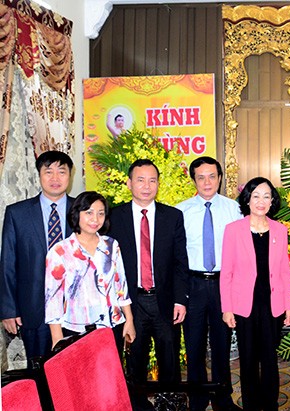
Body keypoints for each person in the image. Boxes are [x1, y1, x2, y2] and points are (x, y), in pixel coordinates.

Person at [108, 159, 189, 411]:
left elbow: (180, 261)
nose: (146, 186)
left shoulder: (172, 216)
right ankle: (137, 405)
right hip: (131, 304)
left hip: (163, 300)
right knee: (135, 361)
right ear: (129, 183)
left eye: (152, 180)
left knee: (169, 359)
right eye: (140, 180)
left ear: (158, 184)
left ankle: (170, 404)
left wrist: (180, 299)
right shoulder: (114, 216)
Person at [220, 177, 290, 411]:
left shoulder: (280, 230)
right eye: (256, 196)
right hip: (244, 305)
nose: (261, 201)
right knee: (249, 358)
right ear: (248, 199)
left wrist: (289, 306)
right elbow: (227, 272)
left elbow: (284, 270)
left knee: (270, 358)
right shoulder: (233, 230)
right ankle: (251, 404)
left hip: (272, 303)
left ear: (272, 201)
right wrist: (227, 308)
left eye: (266, 196)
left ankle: (270, 403)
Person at [176, 157, 242, 411]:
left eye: (212, 176)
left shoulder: (234, 209)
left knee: (222, 345)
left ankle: (223, 398)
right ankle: (198, 398)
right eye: (201, 177)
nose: (207, 182)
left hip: (223, 284)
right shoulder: (180, 211)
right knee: (193, 346)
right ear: (193, 179)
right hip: (192, 284)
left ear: (220, 178)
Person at [0, 150, 74, 362]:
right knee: (39, 371)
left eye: (61, 172)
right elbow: (8, 263)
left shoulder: (83, 211)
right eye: (48, 172)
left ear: (70, 175)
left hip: (75, 309)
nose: (55, 178)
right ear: (39, 175)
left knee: (73, 372)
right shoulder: (18, 213)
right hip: (34, 309)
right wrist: (8, 310)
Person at [44, 191, 135, 353]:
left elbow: (120, 286)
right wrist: (57, 339)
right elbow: (53, 300)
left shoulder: (111, 245)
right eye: (89, 213)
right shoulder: (59, 251)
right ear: (77, 214)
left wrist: (129, 319)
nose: (95, 219)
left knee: (111, 377)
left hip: (111, 326)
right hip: (77, 330)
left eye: (101, 214)